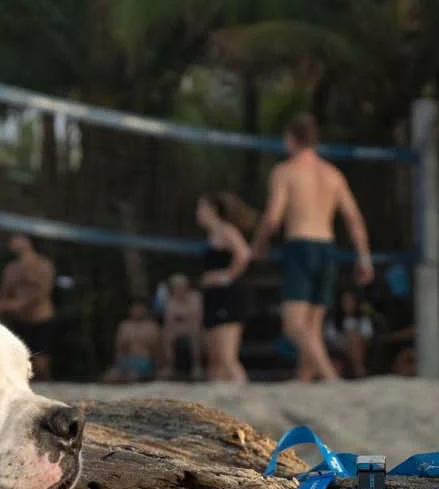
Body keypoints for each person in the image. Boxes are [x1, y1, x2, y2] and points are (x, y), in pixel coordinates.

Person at [251, 113, 374, 383]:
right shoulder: (333, 174)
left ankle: (331, 377)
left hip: (301, 244)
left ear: (290, 139)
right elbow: (353, 218)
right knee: (312, 328)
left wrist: (258, 245)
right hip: (326, 248)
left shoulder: (286, 171)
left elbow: (273, 217)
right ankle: (304, 380)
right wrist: (364, 257)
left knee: (294, 326)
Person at [196, 191, 252, 383]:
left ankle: (247, 397)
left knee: (228, 358)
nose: (198, 212)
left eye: (201, 207)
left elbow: (243, 254)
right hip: (213, 297)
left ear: (213, 210)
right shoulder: (212, 234)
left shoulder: (226, 230)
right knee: (215, 360)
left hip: (228, 296)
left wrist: (226, 276)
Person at [0, 233, 58, 379]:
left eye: (16, 238)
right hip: (19, 320)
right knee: (19, 358)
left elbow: (44, 290)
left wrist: (21, 304)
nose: (12, 242)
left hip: (41, 317)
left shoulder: (43, 264)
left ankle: (48, 384)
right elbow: (3, 293)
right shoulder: (11, 268)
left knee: (41, 361)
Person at [160, 274, 204, 380]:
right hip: (176, 329)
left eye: (180, 286)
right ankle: (169, 366)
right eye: (175, 287)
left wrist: (181, 318)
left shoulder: (196, 297)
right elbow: (169, 320)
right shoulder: (170, 300)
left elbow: (197, 317)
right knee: (165, 335)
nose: (178, 289)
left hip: (194, 328)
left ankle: (197, 367)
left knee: (195, 334)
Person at [105, 299, 160, 383]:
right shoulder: (124, 326)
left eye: (139, 309)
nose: (137, 312)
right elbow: (118, 348)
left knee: (132, 376)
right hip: (126, 360)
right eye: (135, 309)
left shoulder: (151, 326)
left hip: (144, 361)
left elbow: (157, 349)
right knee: (112, 376)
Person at [325, 289, 376, 377]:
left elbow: (367, 338)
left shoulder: (363, 319)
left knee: (354, 338)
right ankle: (359, 369)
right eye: (345, 302)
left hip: (359, 348)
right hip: (339, 349)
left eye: (350, 302)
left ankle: (358, 367)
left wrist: (352, 339)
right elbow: (330, 339)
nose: (347, 304)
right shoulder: (334, 320)